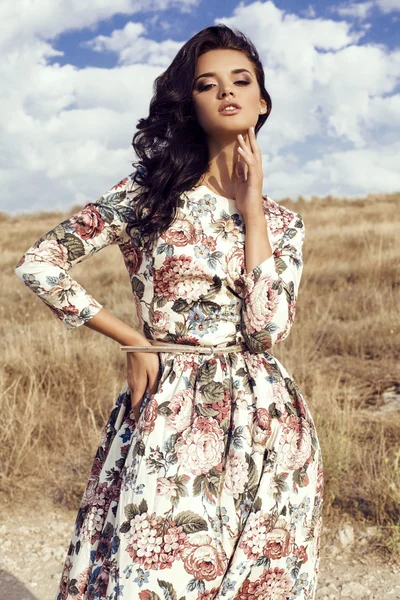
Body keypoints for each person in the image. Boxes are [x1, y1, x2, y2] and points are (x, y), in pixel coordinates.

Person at [15, 23, 323, 600]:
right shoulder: (150, 194)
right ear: (191, 104)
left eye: (241, 80)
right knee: (155, 576)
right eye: (207, 85)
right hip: (170, 409)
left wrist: (252, 209)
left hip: (269, 422)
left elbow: (266, 330)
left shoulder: (284, 224)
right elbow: (41, 264)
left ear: (262, 101)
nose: (227, 92)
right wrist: (133, 339)